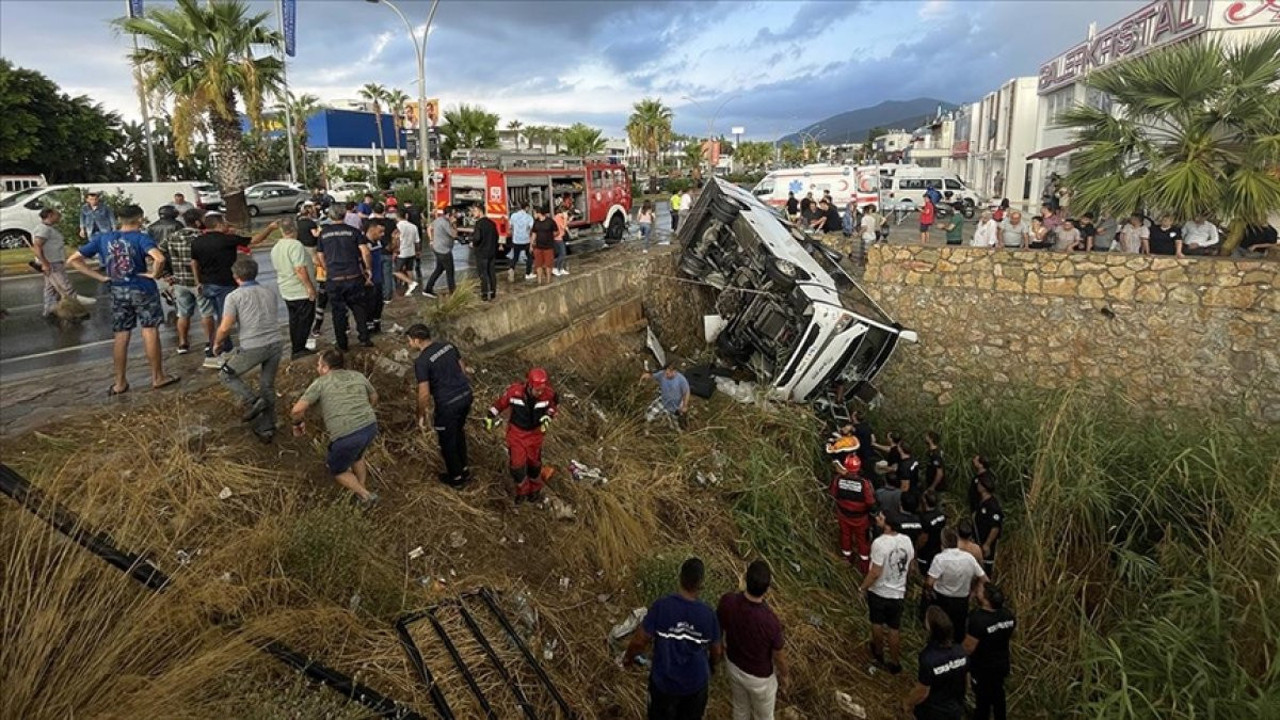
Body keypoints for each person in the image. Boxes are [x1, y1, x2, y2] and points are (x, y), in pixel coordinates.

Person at [65, 204, 178, 394]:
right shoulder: (141, 238)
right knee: (149, 331)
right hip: (142, 288)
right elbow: (159, 258)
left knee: (121, 334)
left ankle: (119, 382)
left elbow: (73, 260)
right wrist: (154, 274)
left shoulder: (103, 238)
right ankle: (157, 376)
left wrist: (100, 277)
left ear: (119, 220)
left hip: (118, 289)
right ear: (140, 219)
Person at [625, 557, 723, 720]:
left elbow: (639, 641)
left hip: (664, 683)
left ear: (680, 577)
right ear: (701, 584)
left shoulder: (662, 607)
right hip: (695, 685)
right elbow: (717, 651)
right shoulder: (708, 615)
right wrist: (712, 666)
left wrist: (629, 658)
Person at [291, 350, 380, 505]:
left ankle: (366, 496)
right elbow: (374, 397)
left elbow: (297, 410)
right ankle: (360, 489)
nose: (317, 368)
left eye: (319, 365)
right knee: (357, 456)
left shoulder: (321, 383)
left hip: (347, 435)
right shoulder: (357, 376)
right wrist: (364, 411)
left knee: (337, 470)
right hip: (370, 427)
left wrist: (298, 424)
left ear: (325, 367)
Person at [192, 213, 275, 366]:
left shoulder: (197, 241)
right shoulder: (226, 240)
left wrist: (198, 282)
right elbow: (255, 240)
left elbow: (194, 263)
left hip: (206, 284)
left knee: (213, 315)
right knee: (225, 318)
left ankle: (222, 346)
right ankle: (218, 350)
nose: (226, 225)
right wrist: (269, 228)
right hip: (224, 283)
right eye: (224, 222)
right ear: (218, 224)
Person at [212, 257, 281, 441]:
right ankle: (267, 427)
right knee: (267, 384)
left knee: (226, 375)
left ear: (235, 276)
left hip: (253, 346)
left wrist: (217, 343)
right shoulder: (269, 290)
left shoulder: (234, 297)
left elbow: (225, 327)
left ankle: (253, 400)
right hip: (275, 342)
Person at [717, 560, 787, 720]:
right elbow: (779, 655)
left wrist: (719, 650)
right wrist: (784, 675)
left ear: (745, 579)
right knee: (763, 716)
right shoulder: (770, 621)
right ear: (767, 588)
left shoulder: (728, 602)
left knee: (740, 708)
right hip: (760, 679)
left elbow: (718, 628)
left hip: (734, 665)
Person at [409, 324, 474, 487]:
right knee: (458, 432)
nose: (409, 344)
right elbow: (463, 369)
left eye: (409, 340)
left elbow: (423, 393)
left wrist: (421, 414)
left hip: (448, 405)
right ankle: (464, 469)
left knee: (447, 441)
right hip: (466, 396)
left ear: (417, 340)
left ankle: (457, 478)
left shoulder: (422, 362)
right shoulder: (448, 346)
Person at [486, 367, 559, 504]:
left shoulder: (548, 394)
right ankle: (523, 491)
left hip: (535, 434)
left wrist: (548, 415)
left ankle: (535, 490)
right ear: (530, 385)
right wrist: (490, 415)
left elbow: (553, 405)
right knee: (517, 467)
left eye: (542, 389)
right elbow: (501, 403)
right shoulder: (515, 392)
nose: (540, 393)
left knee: (534, 465)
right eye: (537, 390)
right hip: (517, 434)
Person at [860, 511, 915, 673]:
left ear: (888, 525)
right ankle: (895, 662)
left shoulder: (880, 543)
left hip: (879, 592)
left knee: (876, 624)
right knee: (894, 628)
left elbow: (875, 572)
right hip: (898, 593)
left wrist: (863, 587)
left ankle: (878, 653)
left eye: (881, 518)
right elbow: (910, 565)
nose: (877, 518)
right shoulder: (906, 540)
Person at [316, 206, 374, 350]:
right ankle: (364, 338)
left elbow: (320, 255)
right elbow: (365, 251)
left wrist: (327, 268)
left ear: (330, 216)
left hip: (334, 278)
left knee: (338, 312)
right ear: (344, 216)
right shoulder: (354, 232)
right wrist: (367, 269)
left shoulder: (324, 234)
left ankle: (342, 345)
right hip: (353, 276)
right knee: (359, 308)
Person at [904, 607, 969, 720]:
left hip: (933, 711)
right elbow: (966, 679)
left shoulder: (928, 658)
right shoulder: (961, 652)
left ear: (931, 628)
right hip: (955, 708)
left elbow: (922, 692)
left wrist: (908, 703)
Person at [925, 527, 986, 644]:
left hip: (943, 598)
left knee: (941, 627)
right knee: (959, 628)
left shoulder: (940, 559)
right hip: (962, 600)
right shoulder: (969, 558)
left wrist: (928, 592)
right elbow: (984, 578)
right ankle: (957, 652)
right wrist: (974, 592)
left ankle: (941, 648)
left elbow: (929, 582)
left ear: (942, 543)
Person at [159, 208, 208, 354]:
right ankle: (209, 342)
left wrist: (166, 273)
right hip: (199, 280)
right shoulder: (201, 237)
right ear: (197, 222)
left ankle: (183, 343)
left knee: (183, 313)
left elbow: (158, 252)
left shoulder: (172, 237)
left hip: (179, 280)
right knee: (206, 313)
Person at [965, 583, 1016, 720]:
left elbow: (969, 647)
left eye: (980, 591)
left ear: (986, 600)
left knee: (983, 701)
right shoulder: (1008, 615)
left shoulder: (978, 619)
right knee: (998, 694)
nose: (978, 591)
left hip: (983, 668)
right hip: (1002, 663)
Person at [269, 217, 318, 359]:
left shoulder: (276, 247)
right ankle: (299, 348)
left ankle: (297, 345)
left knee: (294, 320)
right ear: (294, 230)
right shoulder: (295, 245)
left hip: (286, 289)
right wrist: (309, 287)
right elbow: (300, 269)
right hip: (299, 290)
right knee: (305, 320)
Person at [829, 454, 874, 571]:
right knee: (862, 540)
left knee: (845, 536)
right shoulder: (864, 483)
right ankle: (864, 565)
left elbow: (833, 494)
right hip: (861, 518)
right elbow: (870, 501)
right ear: (859, 467)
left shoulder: (838, 479)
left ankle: (847, 559)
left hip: (843, 515)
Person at [31, 208, 75, 321]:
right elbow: (37, 246)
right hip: (51, 263)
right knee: (65, 288)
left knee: (50, 288)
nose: (59, 216)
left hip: (53, 262)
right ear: (50, 215)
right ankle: (73, 311)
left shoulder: (49, 229)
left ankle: (50, 310)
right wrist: (45, 263)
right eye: (57, 214)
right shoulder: (43, 229)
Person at [641, 362, 690, 430]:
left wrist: (685, 406)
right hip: (664, 401)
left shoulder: (681, 380)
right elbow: (653, 376)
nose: (666, 373)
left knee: (677, 428)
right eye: (666, 370)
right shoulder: (662, 374)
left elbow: (686, 392)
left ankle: (680, 429)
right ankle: (646, 429)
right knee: (649, 415)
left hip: (675, 405)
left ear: (674, 372)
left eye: (669, 372)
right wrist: (647, 376)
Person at [974, 474, 1003, 578]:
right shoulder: (981, 501)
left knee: (985, 568)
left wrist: (987, 544)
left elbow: (995, 527)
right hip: (978, 539)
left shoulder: (992, 505)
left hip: (986, 541)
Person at [362, 218, 388, 335]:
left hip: (378, 278)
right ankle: (368, 327)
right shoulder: (363, 243)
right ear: (372, 230)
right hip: (369, 280)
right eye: (380, 232)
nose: (382, 235)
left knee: (378, 303)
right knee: (369, 304)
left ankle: (377, 325)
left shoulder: (377, 242)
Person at [424, 208, 457, 298]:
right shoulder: (446, 223)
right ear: (448, 215)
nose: (456, 216)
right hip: (444, 251)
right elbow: (454, 234)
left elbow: (429, 228)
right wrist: (453, 223)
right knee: (450, 271)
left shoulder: (438, 220)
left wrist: (431, 240)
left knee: (439, 269)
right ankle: (453, 292)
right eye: (454, 215)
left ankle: (428, 289)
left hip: (437, 248)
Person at [471, 205, 500, 301]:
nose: (473, 213)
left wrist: (473, 243)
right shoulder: (492, 223)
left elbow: (477, 238)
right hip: (491, 252)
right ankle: (492, 293)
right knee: (491, 273)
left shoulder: (479, 224)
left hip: (481, 253)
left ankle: (484, 294)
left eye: (475, 211)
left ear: (480, 212)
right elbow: (496, 237)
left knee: (483, 274)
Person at [394, 207, 421, 295]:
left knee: (396, 271)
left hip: (402, 252)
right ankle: (410, 289)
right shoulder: (413, 226)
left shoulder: (397, 226)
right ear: (406, 216)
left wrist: (395, 250)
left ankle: (411, 283)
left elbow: (396, 240)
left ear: (397, 217)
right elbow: (417, 241)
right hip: (411, 251)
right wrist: (418, 251)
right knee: (409, 270)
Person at [531, 206, 558, 285]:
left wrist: (550, 237)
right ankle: (539, 281)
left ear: (539, 213)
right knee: (538, 264)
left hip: (548, 247)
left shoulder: (550, 221)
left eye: (535, 213)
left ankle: (548, 280)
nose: (534, 214)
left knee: (548, 265)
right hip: (538, 247)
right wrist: (531, 244)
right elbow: (534, 233)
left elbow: (556, 232)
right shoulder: (536, 222)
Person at [509, 202, 535, 280]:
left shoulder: (513, 216)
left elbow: (510, 226)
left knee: (515, 257)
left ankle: (511, 269)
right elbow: (531, 229)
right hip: (526, 240)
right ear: (526, 208)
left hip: (516, 240)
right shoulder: (529, 217)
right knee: (529, 257)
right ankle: (528, 273)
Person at [553, 206, 570, 276]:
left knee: (562, 253)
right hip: (558, 238)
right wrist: (566, 218)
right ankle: (556, 268)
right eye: (566, 213)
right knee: (563, 253)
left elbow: (565, 226)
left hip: (561, 237)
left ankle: (561, 268)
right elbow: (563, 226)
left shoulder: (560, 217)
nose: (567, 214)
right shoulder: (557, 218)